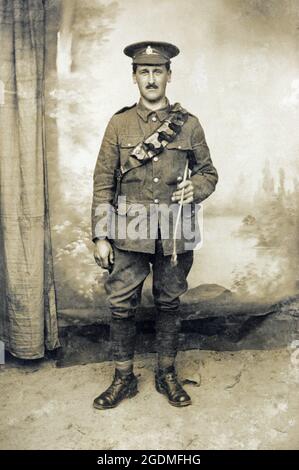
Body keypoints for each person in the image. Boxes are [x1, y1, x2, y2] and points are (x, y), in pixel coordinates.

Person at [91, 41, 218, 409]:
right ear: (134, 78)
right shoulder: (118, 123)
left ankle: (166, 374)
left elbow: (209, 172)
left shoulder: (189, 125)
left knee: (169, 302)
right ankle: (123, 378)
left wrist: (197, 187)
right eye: (143, 72)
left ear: (168, 76)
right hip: (129, 230)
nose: (151, 78)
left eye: (157, 71)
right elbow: (102, 181)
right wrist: (101, 234)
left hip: (175, 230)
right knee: (121, 305)